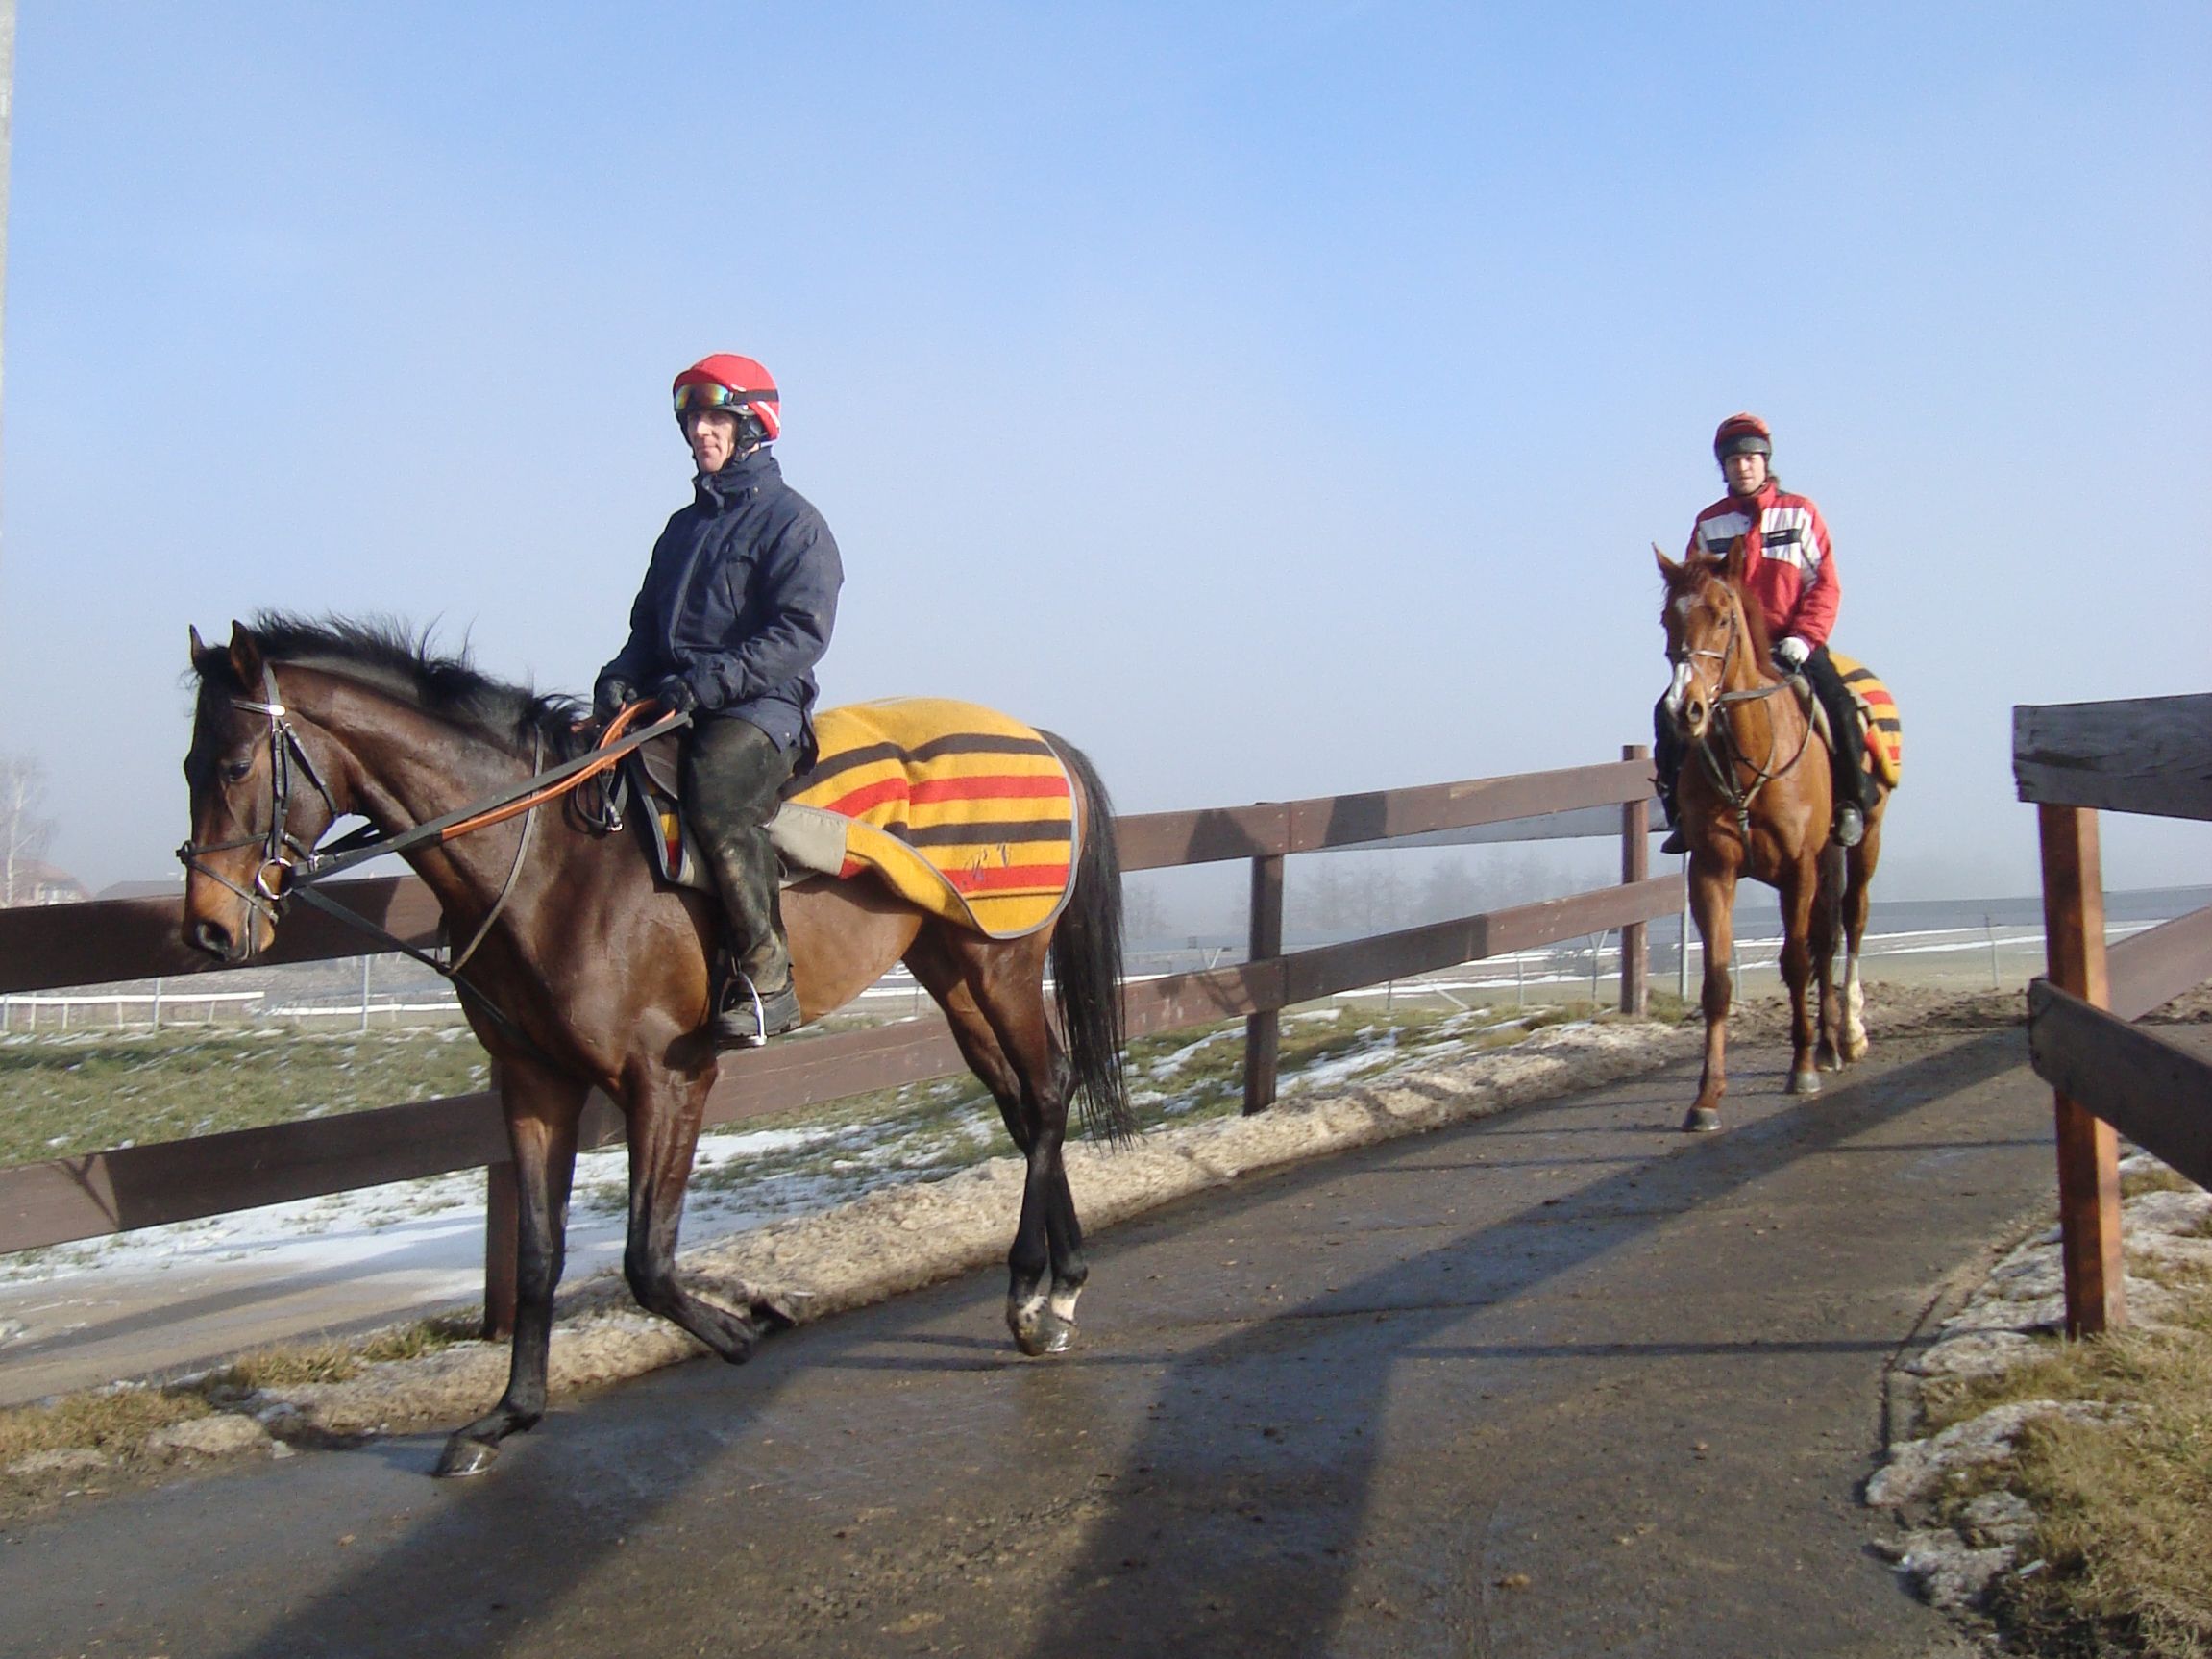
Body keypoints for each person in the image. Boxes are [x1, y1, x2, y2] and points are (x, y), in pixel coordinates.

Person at [596, 354, 844, 1046]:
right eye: (693, 420)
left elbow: (800, 633)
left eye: (716, 418)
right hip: (678, 698)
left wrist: (708, 684)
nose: (701, 432)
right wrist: (619, 676)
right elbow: (647, 630)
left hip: (758, 708)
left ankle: (770, 979)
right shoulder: (682, 529)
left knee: (714, 795)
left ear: (754, 426)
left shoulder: (794, 524)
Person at [1656, 411, 1872, 854]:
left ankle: (1852, 801)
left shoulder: (1801, 513)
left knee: (1839, 705)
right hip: (1727, 653)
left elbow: (1825, 583)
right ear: (1723, 468)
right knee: (1667, 711)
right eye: (1733, 460)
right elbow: (1693, 594)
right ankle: (1679, 809)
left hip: (1792, 644)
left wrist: (1805, 636)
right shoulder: (1708, 525)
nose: (1742, 466)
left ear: (1765, 460)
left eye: (1751, 457)